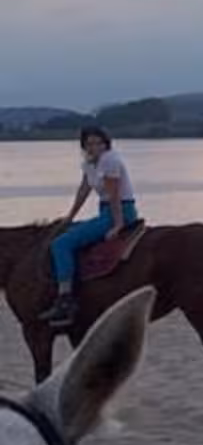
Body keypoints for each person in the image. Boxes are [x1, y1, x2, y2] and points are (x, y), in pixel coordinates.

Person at [45, 125, 141, 329]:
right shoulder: (90, 163)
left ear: (106, 143)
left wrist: (118, 224)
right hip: (105, 210)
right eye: (89, 143)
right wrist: (70, 216)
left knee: (60, 245)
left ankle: (65, 298)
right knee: (66, 232)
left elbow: (114, 194)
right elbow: (83, 190)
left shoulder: (110, 160)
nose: (93, 147)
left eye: (98, 142)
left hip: (120, 210)